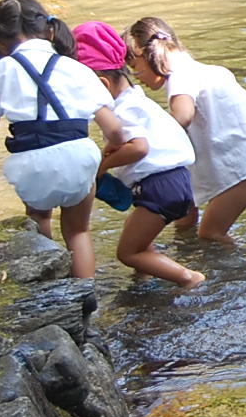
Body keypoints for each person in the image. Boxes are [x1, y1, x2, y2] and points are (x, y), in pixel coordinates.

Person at [0, 0, 124, 278]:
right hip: (79, 155)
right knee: (78, 231)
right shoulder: (78, 69)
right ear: (50, 30)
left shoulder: (1, 71)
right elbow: (114, 129)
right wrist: (112, 148)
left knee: (40, 218)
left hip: (32, 162)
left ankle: (50, 284)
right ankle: (85, 296)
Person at [72, 21, 205, 289]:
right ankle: (145, 277)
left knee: (127, 252)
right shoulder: (137, 100)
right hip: (175, 181)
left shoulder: (122, 110)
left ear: (101, 84)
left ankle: (190, 279)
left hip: (159, 186)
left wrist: (101, 165)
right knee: (139, 240)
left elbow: (139, 147)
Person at [126, 16, 246, 245]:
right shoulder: (202, 70)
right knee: (185, 215)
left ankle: (242, 275)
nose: (137, 78)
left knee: (211, 234)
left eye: (135, 68)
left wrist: (144, 141)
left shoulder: (180, 76)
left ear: (147, 53)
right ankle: (185, 251)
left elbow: (183, 117)